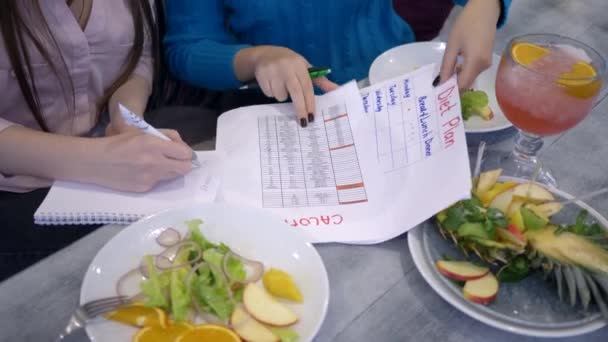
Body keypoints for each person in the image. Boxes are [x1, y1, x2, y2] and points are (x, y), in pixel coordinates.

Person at [0, 0, 210, 280]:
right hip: (17, 190)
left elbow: (138, 59)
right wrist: (93, 159)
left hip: (106, 146)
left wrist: (127, 114)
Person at [164, 0, 511, 127]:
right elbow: (187, 47)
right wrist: (255, 58)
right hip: (278, 110)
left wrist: (486, 3)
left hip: (387, 83)